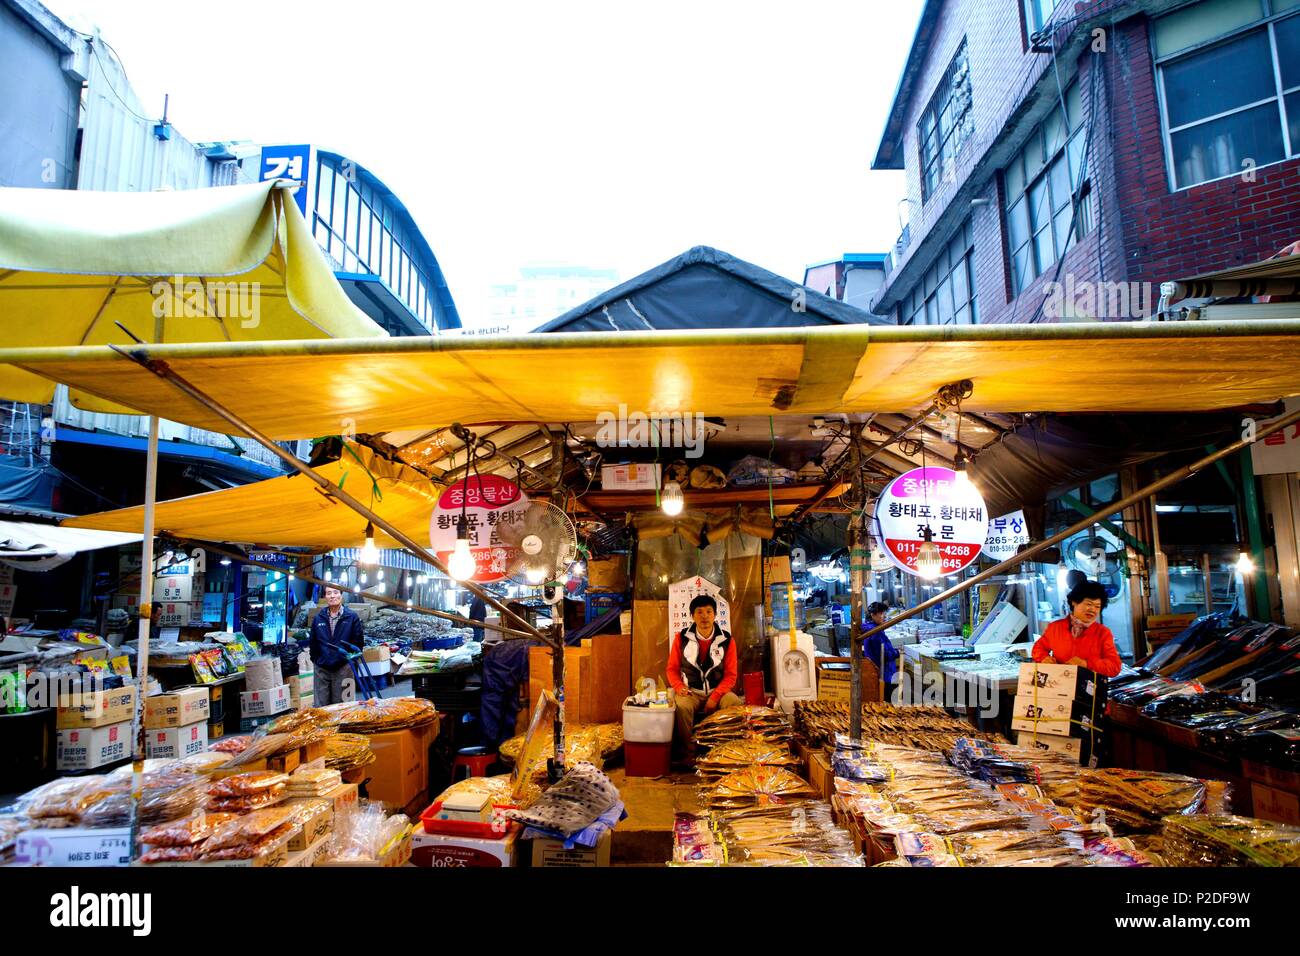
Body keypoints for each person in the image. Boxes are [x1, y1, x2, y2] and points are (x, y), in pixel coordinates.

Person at [668, 595, 743, 766]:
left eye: (709, 611)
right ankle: (688, 753)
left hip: (719, 691)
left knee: (733, 702)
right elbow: (672, 669)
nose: (704, 616)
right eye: (699, 612)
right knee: (682, 706)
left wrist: (715, 697)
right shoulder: (681, 638)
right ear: (692, 616)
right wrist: (679, 687)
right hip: (691, 692)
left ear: (715, 615)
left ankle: (725, 751)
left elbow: (731, 675)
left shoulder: (727, 640)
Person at [1033, 580, 1122, 677]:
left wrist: (1086, 664)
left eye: (1097, 606)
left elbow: (1114, 667)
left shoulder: (1103, 633)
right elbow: (1038, 648)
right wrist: (1044, 658)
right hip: (1059, 684)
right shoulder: (1055, 627)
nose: (1092, 609)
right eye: (1088, 604)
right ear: (1074, 602)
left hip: (1090, 688)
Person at [310, 584, 366, 704]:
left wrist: (348, 661)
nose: (332, 596)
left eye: (335, 592)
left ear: (341, 595)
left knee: (345, 708)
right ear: (325, 596)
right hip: (322, 669)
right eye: (329, 593)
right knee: (321, 708)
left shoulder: (351, 617)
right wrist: (317, 660)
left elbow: (358, 642)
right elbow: (313, 642)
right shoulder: (319, 618)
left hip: (344, 668)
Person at [863, 601, 900, 702]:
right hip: (885, 674)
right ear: (873, 615)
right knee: (889, 704)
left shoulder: (871, 629)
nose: (884, 616)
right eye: (881, 613)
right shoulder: (875, 632)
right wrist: (897, 652)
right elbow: (884, 654)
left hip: (878, 673)